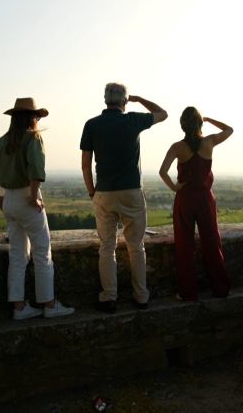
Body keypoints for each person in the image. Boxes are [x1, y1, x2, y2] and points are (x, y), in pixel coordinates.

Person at [0, 97, 74, 320]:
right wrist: (35, 196)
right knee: (42, 253)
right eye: (36, 116)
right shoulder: (33, 138)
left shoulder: (1, 142)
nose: (37, 120)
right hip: (27, 198)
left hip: (9, 201)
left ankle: (19, 307)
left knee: (18, 255)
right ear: (32, 118)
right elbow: (36, 169)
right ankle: (49, 304)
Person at [80, 83, 168, 313]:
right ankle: (141, 296)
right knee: (136, 247)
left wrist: (92, 191)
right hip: (131, 191)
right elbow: (163, 113)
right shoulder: (133, 120)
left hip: (104, 192)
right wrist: (140, 99)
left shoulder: (92, 125)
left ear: (105, 99)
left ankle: (109, 297)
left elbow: (86, 165)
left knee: (106, 247)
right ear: (124, 101)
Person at [158, 107, 233, 301]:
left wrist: (175, 188)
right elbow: (229, 129)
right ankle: (221, 288)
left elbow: (162, 172)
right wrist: (208, 119)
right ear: (199, 124)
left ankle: (188, 293)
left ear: (182, 125)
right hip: (205, 199)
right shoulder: (209, 141)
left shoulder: (177, 147)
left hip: (185, 199)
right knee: (212, 242)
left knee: (185, 245)